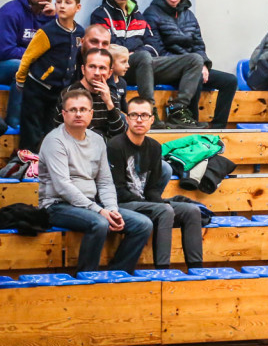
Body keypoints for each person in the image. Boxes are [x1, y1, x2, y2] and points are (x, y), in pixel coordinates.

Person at [37, 89, 152, 274]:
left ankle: (117, 274)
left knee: (142, 224)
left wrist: (112, 209)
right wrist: (99, 210)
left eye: (83, 109)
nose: (78, 113)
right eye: (73, 110)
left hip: (91, 205)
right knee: (99, 223)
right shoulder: (54, 141)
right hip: (57, 205)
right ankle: (86, 276)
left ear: (91, 113)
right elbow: (62, 186)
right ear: (64, 114)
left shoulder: (98, 140)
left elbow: (105, 182)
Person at [90, 0, 206, 128]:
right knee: (144, 56)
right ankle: (150, 110)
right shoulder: (100, 14)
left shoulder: (138, 15)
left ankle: (178, 110)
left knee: (195, 59)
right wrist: (132, 51)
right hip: (118, 69)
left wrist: (133, 51)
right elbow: (109, 48)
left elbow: (152, 45)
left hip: (144, 64)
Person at [107, 97, 204, 270]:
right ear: (127, 119)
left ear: (152, 119)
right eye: (134, 115)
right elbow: (118, 191)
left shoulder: (154, 147)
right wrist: (157, 205)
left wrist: (158, 202)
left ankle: (196, 269)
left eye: (144, 115)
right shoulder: (115, 146)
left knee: (192, 211)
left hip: (144, 203)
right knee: (164, 210)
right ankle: (162, 270)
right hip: (121, 204)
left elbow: (152, 190)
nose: (139, 119)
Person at [144, 0, 238, 129]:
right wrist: (189, 65)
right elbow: (155, 50)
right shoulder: (151, 13)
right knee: (196, 76)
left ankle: (218, 128)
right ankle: (190, 122)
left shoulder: (189, 15)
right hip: (169, 68)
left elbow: (199, 45)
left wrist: (203, 64)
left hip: (192, 66)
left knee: (230, 81)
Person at [15, 0, 84, 152]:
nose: (61, 5)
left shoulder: (80, 33)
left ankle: (46, 163)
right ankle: (28, 163)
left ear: (77, 7)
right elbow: (28, 57)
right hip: (37, 87)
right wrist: (21, 81)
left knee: (51, 129)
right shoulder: (47, 32)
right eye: (58, 1)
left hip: (59, 91)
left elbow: (77, 60)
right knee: (31, 130)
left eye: (67, 2)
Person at [0, 0, 55, 128]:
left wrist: (57, 21)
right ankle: (14, 123)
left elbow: (61, 48)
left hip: (36, 67)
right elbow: (5, 50)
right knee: (22, 67)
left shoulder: (52, 15)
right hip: (6, 66)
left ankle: (50, 125)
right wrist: (36, 57)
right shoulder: (10, 12)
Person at [54, 48, 126, 139]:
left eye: (102, 68)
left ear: (109, 73)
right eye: (92, 67)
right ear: (83, 69)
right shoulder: (69, 95)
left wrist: (109, 104)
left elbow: (119, 136)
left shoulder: (111, 97)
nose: (96, 73)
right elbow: (68, 131)